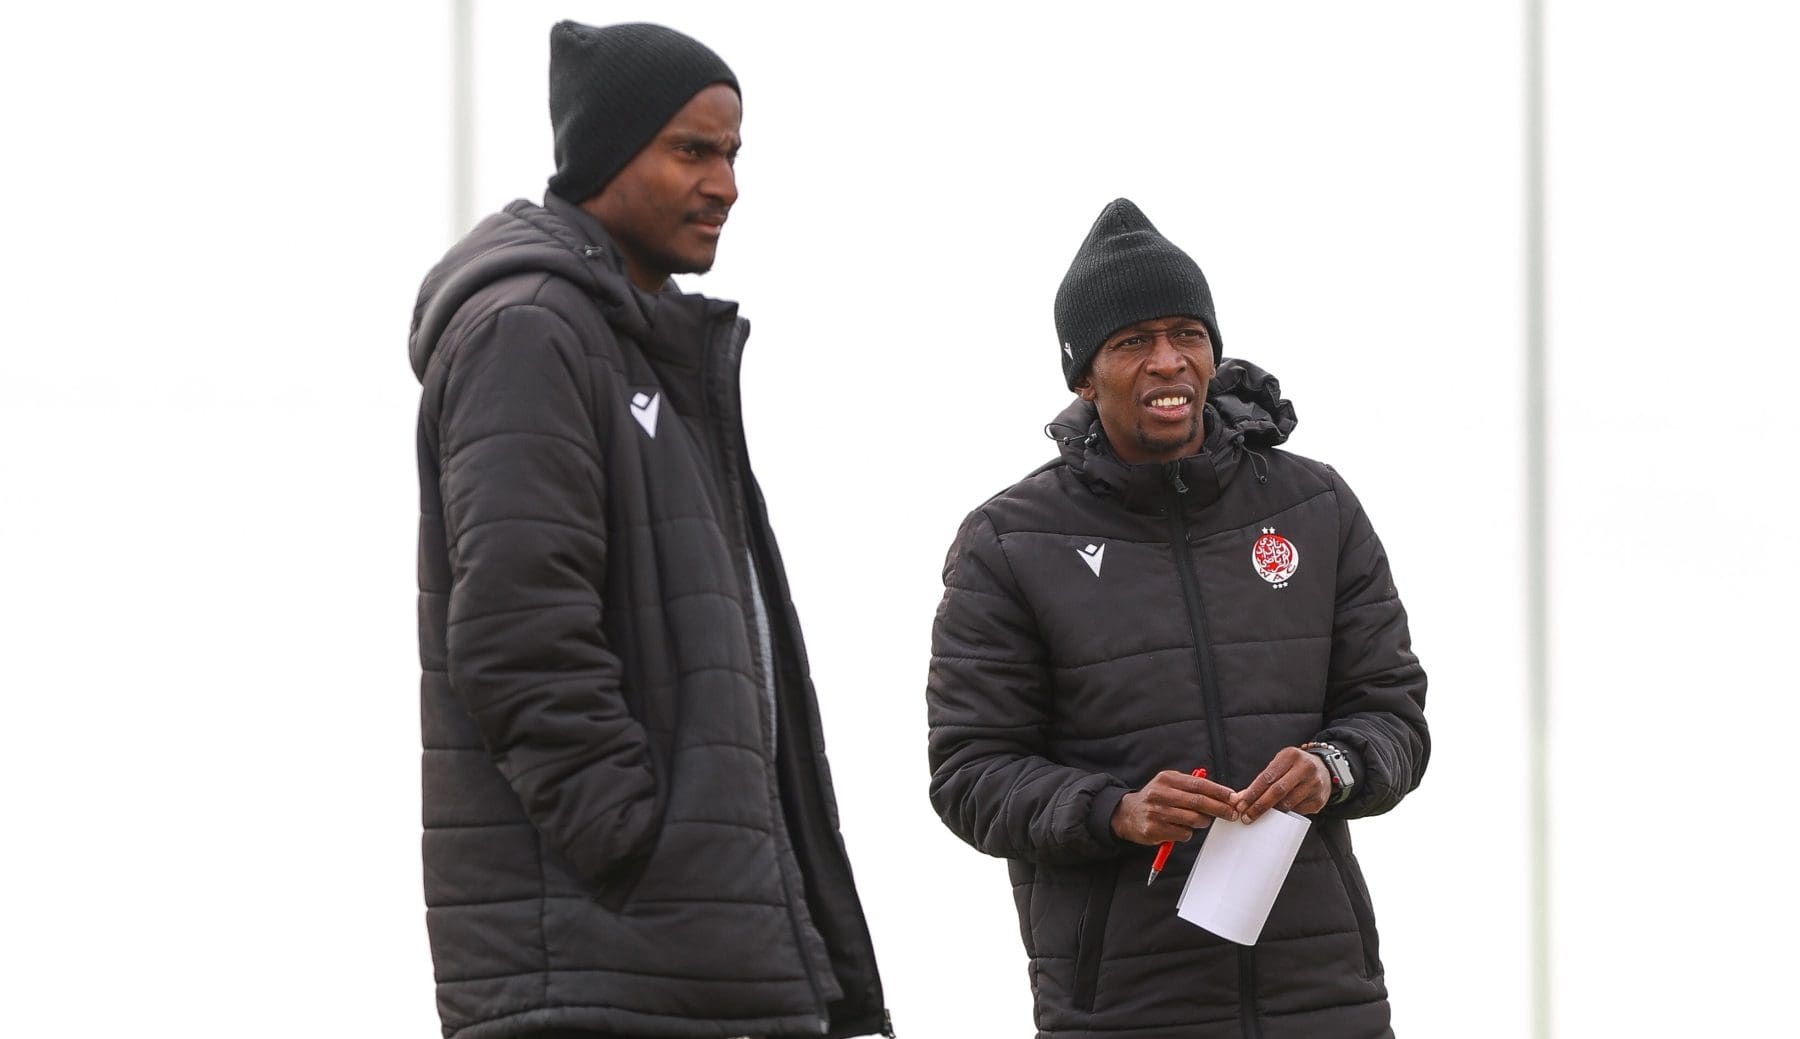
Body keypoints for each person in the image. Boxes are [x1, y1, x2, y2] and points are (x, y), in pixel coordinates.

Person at [407, 21, 889, 1039]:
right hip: (608, 965)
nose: (725, 184)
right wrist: (640, 843)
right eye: (692, 150)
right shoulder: (531, 329)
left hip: (686, 960)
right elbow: (516, 632)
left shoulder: (650, 351)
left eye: (732, 153)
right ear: (603, 155)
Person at [925, 198, 1429, 1038]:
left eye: (1187, 335)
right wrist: (1114, 810)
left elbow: (1394, 714)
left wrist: (1333, 766)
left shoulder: (1317, 506)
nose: (1168, 361)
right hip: (1121, 1012)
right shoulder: (1008, 543)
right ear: (1083, 373)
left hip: (1325, 1000)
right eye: (1133, 343)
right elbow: (969, 771)